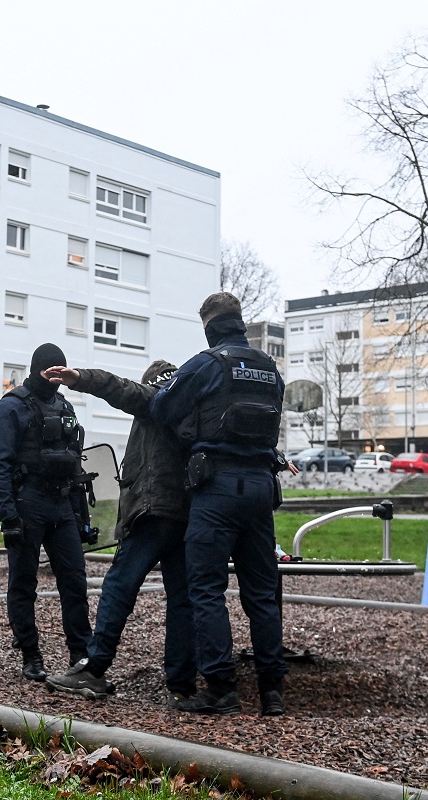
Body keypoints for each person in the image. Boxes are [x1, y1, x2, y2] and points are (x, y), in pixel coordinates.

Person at [150, 291, 288, 717]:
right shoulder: (271, 370)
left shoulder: (206, 364)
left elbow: (161, 406)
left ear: (209, 326)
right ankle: (272, 692)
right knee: (263, 593)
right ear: (241, 323)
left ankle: (221, 688)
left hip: (217, 489)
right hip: (262, 489)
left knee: (206, 589)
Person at [40, 360, 198, 707]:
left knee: (118, 588)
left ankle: (95, 668)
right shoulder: (192, 405)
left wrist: (80, 378)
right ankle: (182, 684)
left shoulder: (154, 397)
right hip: (184, 514)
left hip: (151, 511)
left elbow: (120, 388)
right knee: (182, 599)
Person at [0, 343, 92, 682]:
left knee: (75, 582)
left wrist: (80, 517)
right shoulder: (11, 408)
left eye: (61, 372)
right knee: (23, 583)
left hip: (61, 505)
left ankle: (81, 654)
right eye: (51, 372)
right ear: (38, 370)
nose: (56, 378)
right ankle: (30, 654)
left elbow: (74, 464)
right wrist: (8, 517)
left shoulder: (64, 406)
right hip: (27, 504)